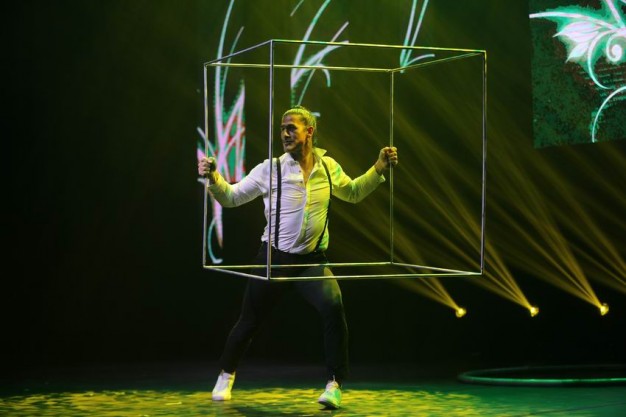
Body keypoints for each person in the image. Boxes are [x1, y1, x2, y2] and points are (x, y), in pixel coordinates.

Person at [198, 105, 398, 409]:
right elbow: (232, 197)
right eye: (282, 128)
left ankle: (334, 384)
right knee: (249, 321)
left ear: (310, 131)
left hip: (311, 262)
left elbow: (354, 192)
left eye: (291, 128)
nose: (285, 134)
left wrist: (379, 166)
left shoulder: (328, 167)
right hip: (274, 259)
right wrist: (213, 177)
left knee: (334, 308)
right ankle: (226, 375)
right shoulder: (270, 169)